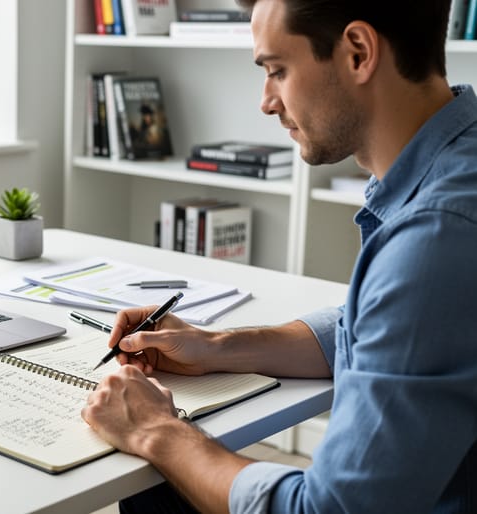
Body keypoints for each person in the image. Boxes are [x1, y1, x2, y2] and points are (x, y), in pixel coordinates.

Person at [81, 0, 477, 512]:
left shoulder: (436, 237)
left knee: (155, 480)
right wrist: (215, 345)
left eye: (277, 70)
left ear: (358, 53)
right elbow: (374, 325)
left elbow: (328, 509)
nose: (267, 101)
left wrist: (158, 431)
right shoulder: (454, 167)